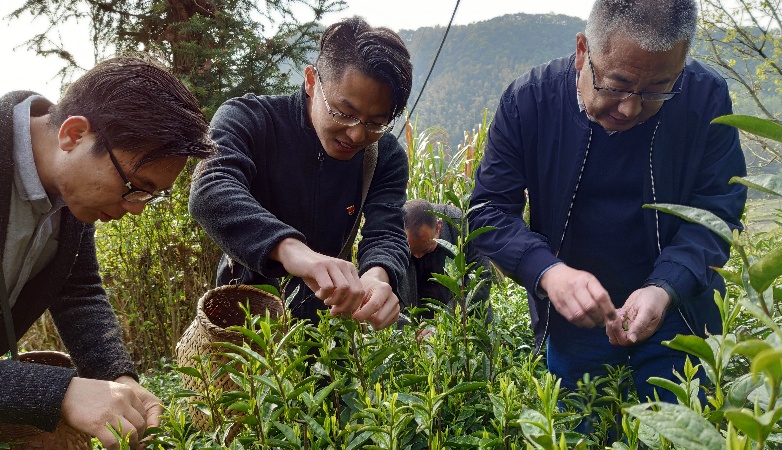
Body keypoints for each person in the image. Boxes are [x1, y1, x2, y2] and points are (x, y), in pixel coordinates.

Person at [468, 0, 747, 402]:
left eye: (658, 90)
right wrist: (548, 272)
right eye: (615, 85)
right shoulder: (529, 102)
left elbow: (717, 210)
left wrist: (666, 286)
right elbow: (489, 210)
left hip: (679, 315)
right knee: (578, 430)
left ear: (682, 65)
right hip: (574, 321)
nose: (630, 108)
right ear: (583, 51)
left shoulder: (705, 98)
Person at [0, 57, 215, 449]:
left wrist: (118, 378)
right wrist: (59, 392)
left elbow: (77, 290)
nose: (136, 207)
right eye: (135, 184)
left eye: (151, 195)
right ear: (74, 134)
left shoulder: (71, 194)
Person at [189, 17, 413, 331]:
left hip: (327, 325)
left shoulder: (384, 157)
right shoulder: (250, 120)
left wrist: (378, 275)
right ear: (311, 81)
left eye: (376, 122)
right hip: (246, 317)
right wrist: (295, 252)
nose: (356, 135)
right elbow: (211, 188)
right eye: (344, 113)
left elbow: (386, 231)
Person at [399, 199, 492, 336]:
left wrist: (443, 319)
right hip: (418, 329)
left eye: (426, 249)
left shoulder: (462, 225)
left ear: (439, 226)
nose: (418, 256)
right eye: (412, 252)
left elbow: (482, 279)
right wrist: (408, 329)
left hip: (467, 325)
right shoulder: (393, 234)